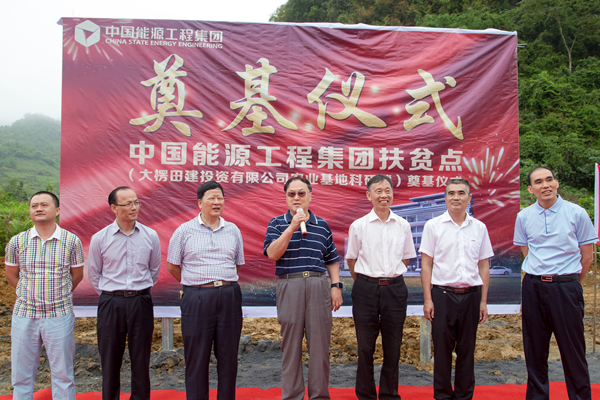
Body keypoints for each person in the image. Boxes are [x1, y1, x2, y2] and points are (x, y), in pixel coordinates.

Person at [514, 167, 597, 400]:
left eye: (549, 179)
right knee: (534, 350)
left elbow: (587, 257)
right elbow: (527, 251)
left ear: (557, 183)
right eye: (538, 182)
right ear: (531, 189)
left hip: (566, 288)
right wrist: (542, 275)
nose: (545, 185)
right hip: (533, 287)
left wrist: (568, 281)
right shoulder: (524, 216)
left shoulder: (577, 213)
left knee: (573, 351)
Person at [264, 176, 343, 400]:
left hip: (318, 285)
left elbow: (331, 259)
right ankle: (292, 396)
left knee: (320, 346)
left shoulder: (322, 225)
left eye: (301, 193)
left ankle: (319, 396)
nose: (296, 198)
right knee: (291, 346)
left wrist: (336, 285)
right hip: (290, 284)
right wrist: (291, 227)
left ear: (310, 195)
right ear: (286, 197)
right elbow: (272, 254)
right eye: (291, 194)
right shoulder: (276, 223)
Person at [167, 181, 244, 400]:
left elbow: (237, 264)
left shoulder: (233, 230)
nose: (217, 202)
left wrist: (221, 282)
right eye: (212, 198)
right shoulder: (184, 231)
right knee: (197, 357)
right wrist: (195, 285)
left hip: (229, 295)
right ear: (200, 203)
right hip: (197, 297)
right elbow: (172, 266)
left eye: (220, 198)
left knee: (228, 357)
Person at [5, 191, 84, 400]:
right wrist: (28, 294)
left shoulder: (71, 241)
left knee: (63, 374)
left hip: (59, 315)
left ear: (57, 210)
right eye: (34, 206)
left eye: (44, 205)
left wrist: (58, 295)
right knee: (21, 374)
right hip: (24, 314)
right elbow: (12, 275)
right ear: (30, 211)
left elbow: (76, 276)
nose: (39, 209)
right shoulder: (17, 241)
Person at [419, 178, 493, 400]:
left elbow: (484, 265)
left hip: (472, 296)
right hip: (442, 296)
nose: (456, 197)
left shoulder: (479, 228)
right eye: (451, 193)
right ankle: (442, 395)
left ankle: (464, 395)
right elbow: (426, 264)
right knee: (442, 351)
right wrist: (428, 299)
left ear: (469, 198)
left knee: (467, 351)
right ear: (445, 198)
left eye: (461, 193)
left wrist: (483, 301)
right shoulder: (433, 226)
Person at [345, 174, 416, 400]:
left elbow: (406, 258)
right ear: (369, 195)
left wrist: (388, 277)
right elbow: (351, 259)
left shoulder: (403, 225)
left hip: (395, 289)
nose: (384, 195)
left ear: (392, 194)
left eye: (388, 190)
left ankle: (389, 394)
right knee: (365, 347)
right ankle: (365, 394)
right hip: (365, 289)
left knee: (393, 346)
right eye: (378, 191)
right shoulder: (358, 226)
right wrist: (368, 280)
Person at [88, 186, 161, 400]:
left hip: (141, 301)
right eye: (127, 203)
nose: (134, 207)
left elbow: (154, 270)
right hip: (111, 303)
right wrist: (112, 294)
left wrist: (139, 290)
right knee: (110, 359)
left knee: (141, 358)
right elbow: (94, 273)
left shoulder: (150, 235)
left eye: (136, 202)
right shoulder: (100, 238)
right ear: (114, 208)